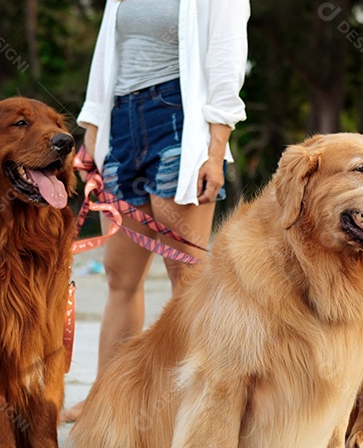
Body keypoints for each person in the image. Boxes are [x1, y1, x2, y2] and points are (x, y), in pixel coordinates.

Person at [62, 0, 250, 422]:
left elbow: (226, 61)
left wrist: (215, 154)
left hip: (178, 121)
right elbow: (105, 62)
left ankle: (191, 397)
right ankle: (106, 398)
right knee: (119, 274)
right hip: (122, 123)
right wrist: (91, 140)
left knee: (186, 273)